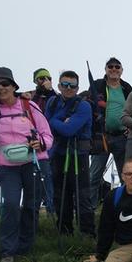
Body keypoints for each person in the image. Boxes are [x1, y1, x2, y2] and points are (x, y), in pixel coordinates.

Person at [0, 67, 53, 262]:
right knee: (10, 205)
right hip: (7, 166)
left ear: (14, 86)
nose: (1, 87)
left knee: (31, 206)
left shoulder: (29, 106)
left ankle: (25, 248)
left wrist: (42, 144)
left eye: (5, 84)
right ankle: (7, 251)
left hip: (34, 161)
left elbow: (47, 133)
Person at [45, 70, 94, 236]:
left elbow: (68, 130)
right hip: (57, 153)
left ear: (77, 87)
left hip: (78, 154)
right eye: (64, 85)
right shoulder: (52, 102)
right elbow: (47, 125)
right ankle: (64, 230)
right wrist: (59, 122)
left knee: (82, 195)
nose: (68, 88)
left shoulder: (84, 105)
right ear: (59, 86)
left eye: (72, 86)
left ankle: (87, 233)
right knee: (60, 194)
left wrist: (54, 121)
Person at [87, 57, 132, 209]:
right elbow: (88, 103)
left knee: (124, 175)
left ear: (122, 70)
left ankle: (123, 208)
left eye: (117, 67)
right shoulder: (97, 85)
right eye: (110, 66)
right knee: (94, 174)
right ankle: (90, 209)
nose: (114, 69)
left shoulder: (126, 88)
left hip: (122, 137)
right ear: (105, 69)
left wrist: (131, 127)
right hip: (101, 136)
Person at [25, 68, 56, 214]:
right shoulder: (31, 96)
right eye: (40, 78)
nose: (44, 80)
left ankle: (51, 206)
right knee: (38, 174)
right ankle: (36, 207)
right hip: (33, 139)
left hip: (51, 139)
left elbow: (56, 107)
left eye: (46, 77)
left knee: (49, 173)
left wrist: (49, 91)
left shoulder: (55, 95)